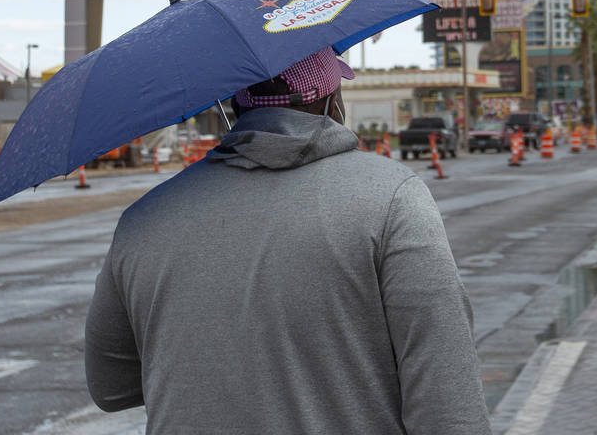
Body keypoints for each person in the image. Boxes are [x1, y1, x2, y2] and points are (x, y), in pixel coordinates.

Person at [85, 47, 491, 434]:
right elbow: (448, 399)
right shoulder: (391, 196)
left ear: (237, 108)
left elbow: (111, 387)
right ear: (332, 102)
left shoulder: (144, 218)